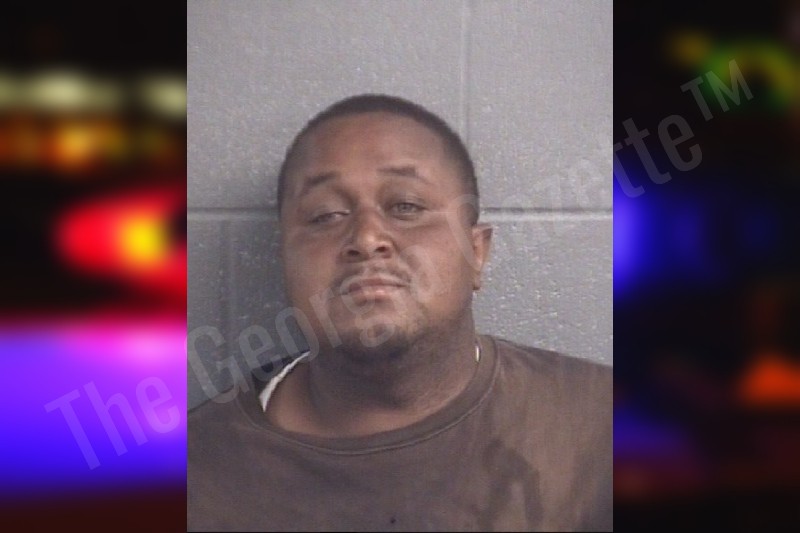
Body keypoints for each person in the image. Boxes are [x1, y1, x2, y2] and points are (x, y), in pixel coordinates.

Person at [187, 94, 612, 531]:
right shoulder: (194, 478)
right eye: (325, 215)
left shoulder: (604, 429)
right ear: (285, 260)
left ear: (477, 253)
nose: (367, 238)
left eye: (406, 206)